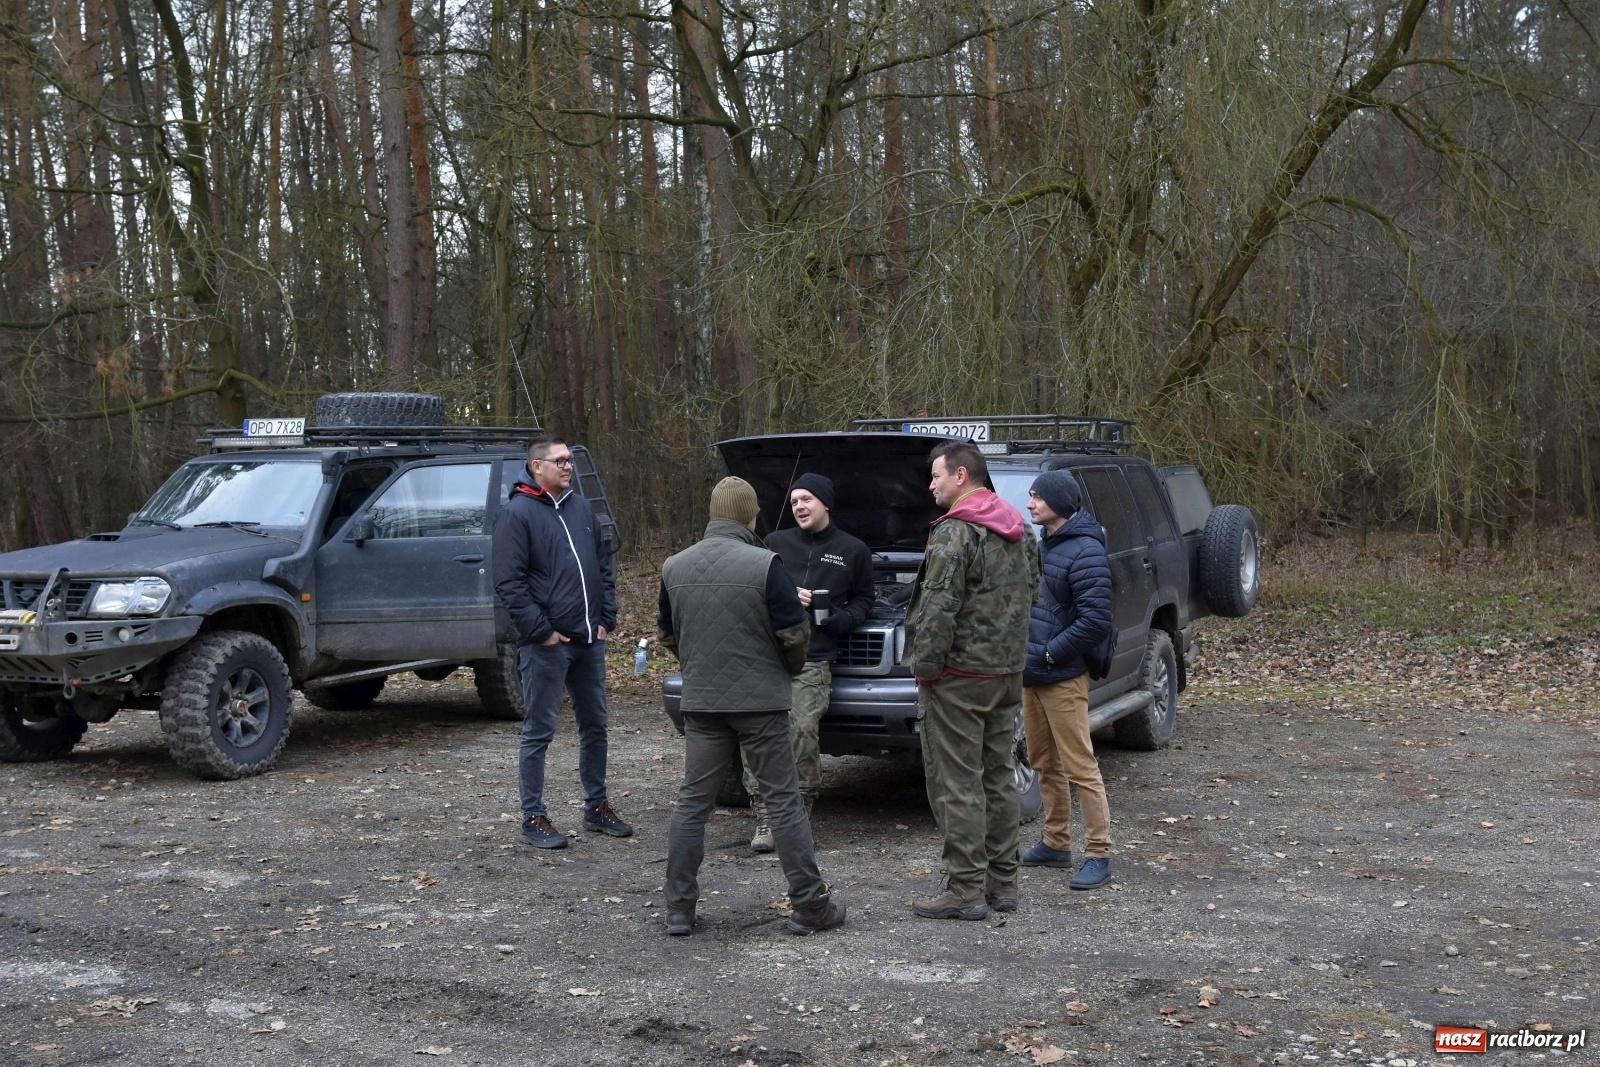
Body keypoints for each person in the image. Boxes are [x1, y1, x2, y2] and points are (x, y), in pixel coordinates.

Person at [656, 476, 846, 937]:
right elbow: (794, 633)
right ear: (749, 517)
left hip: (701, 704)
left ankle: (679, 908)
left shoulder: (673, 567)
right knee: (783, 800)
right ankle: (810, 905)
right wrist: (783, 669)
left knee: (692, 803)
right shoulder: (765, 564)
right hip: (761, 705)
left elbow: (667, 634)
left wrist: (700, 666)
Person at [904, 441, 1038, 920]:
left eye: (936, 475)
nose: (931, 484)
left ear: (962, 476)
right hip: (1005, 673)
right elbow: (1032, 593)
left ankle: (964, 888)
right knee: (1000, 775)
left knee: (957, 780)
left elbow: (937, 609)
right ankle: (1003, 881)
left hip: (958, 677)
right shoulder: (1019, 529)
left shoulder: (955, 534)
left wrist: (926, 670)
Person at [492, 435, 631, 849]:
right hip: (547, 645)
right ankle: (533, 815)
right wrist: (542, 631)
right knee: (540, 730)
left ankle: (597, 807)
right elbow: (509, 582)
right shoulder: (517, 514)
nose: (568, 467)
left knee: (596, 726)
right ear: (537, 467)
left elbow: (603, 564)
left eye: (570, 460)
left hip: (590, 640)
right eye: (560, 461)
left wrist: (605, 618)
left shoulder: (580, 507)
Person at [744, 473, 874, 852]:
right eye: (795, 501)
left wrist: (842, 618)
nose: (799, 506)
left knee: (800, 729)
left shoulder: (853, 549)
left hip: (813, 659)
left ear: (826, 503)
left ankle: (799, 812)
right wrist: (783, 593)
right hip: (768, 657)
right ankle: (765, 814)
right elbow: (754, 590)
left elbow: (866, 600)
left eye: (807, 499)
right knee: (758, 732)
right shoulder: (775, 543)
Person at [1022, 470, 1115, 889]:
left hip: (1061, 675)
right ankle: (1056, 842)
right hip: (1033, 675)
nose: (1030, 504)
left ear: (1059, 502)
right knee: (1043, 762)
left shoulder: (1086, 550)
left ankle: (1099, 853)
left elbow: (1096, 620)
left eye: (1037, 497)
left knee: (1081, 767)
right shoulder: (1049, 543)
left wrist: (1050, 651)